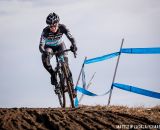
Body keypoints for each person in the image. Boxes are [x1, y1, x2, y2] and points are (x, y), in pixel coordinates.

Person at [39, 12, 77, 87]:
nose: (53, 28)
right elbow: (41, 46)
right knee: (44, 58)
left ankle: (71, 87)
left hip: (60, 46)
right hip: (49, 48)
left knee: (66, 65)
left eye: (54, 25)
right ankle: (53, 74)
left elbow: (71, 38)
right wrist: (44, 52)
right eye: (51, 26)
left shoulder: (63, 28)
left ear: (58, 23)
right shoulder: (45, 31)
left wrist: (74, 46)